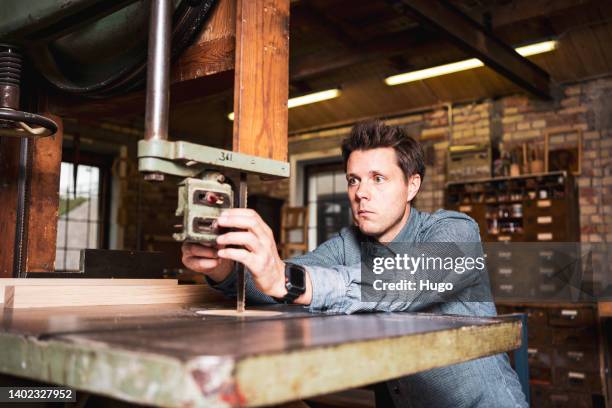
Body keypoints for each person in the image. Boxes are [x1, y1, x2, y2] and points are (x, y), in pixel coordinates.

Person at [182, 119, 527, 407]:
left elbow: (400, 283)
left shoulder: (455, 231)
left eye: (378, 179)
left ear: (411, 185)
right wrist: (225, 267)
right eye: (354, 180)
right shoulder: (348, 244)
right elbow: (275, 285)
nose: (361, 193)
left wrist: (289, 280)